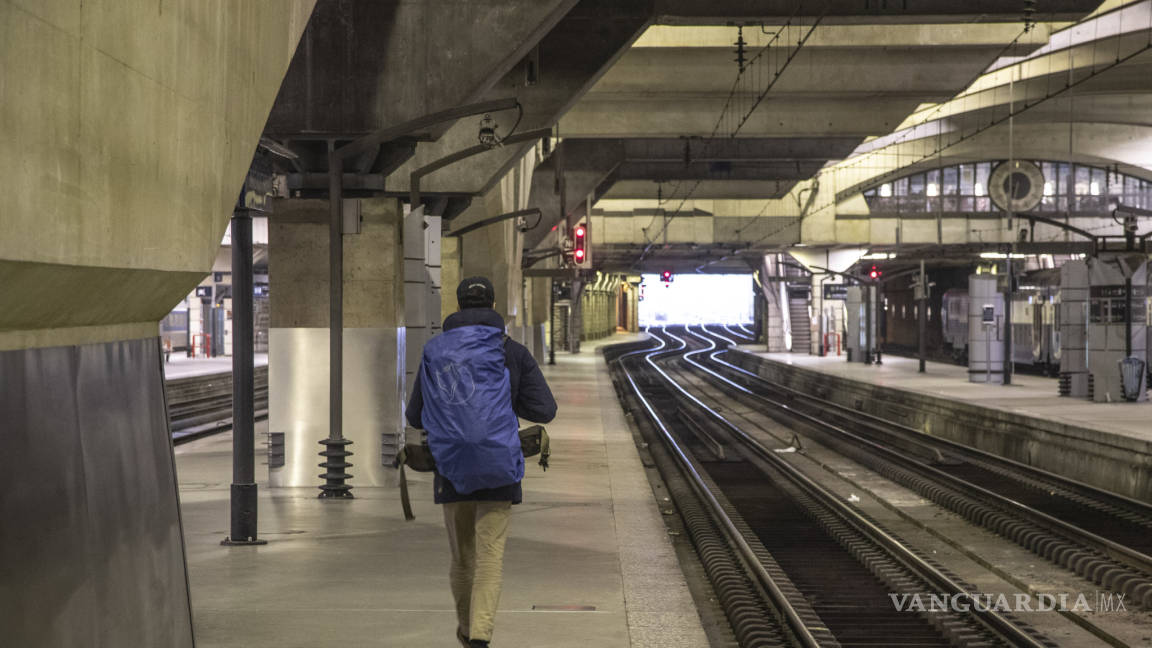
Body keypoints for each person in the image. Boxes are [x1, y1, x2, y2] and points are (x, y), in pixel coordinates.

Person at [406, 276, 557, 648]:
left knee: (463, 558)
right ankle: (480, 636)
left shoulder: (435, 350)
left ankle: (463, 628)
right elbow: (545, 410)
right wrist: (506, 403)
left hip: (451, 465)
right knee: (490, 556)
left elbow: (414, 416)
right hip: (498, 463)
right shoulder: (513, 351)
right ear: (493, 308)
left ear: (457, 308)